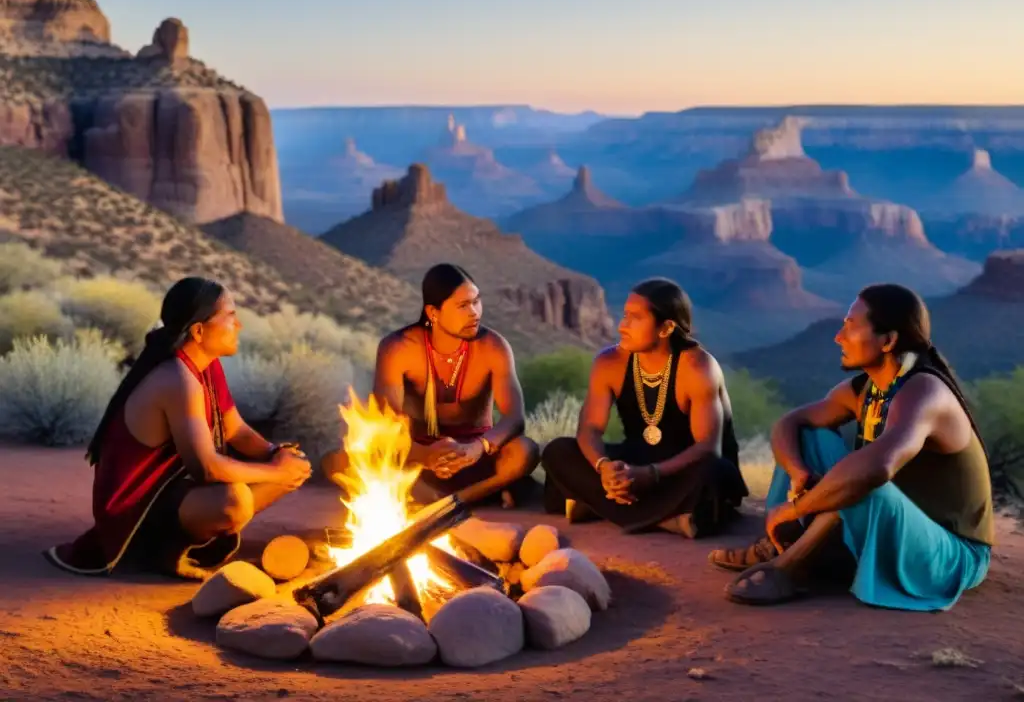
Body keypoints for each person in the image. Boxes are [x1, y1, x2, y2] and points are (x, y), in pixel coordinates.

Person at [710, 284, 995, 611]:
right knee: (811, 438)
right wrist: (799, 474)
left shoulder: (925, 392)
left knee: (863, 478)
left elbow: (876, 469)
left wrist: (795, 509)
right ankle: (781, 544)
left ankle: (790, 566)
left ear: (888, 341)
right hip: (896, 529)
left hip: (950, 556)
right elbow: (789, 423)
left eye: (851, 326)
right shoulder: (867, 390)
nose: (838, 337)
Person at [45, 277, 312, 580]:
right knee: (234, 502)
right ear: (199, 331)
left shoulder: (205, 364)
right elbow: (207, 469)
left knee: (295, 466)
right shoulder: (177, 378)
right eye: (231, 317)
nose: (239, 327)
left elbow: (235, 429)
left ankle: (190, 539)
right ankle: (166, 551)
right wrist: (276, 471)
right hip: (137, 513)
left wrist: (276, 453)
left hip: (173, 495)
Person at [540, 278, 748, 537]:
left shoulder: (697, 367)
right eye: (624, 315)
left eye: (635, 318)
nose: (621, 326)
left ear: (666, 328)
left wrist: (651, 475)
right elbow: (590, 428)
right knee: (558, 450)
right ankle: (669, 520)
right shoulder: (609, 363)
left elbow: (707, 447)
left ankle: (599, 507)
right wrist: (604, 468)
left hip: (683, 467)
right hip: (637, 460)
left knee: (713, 472)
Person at [323, 263, 539, 507]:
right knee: (340, 461)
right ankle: (475, 496)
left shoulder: (494, 347)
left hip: (475, 457)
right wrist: (426, 455)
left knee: (525, 450)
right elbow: (385, 424)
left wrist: (477, 448)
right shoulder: (398, 348)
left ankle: (450, 502)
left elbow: (514, 418)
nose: (475, 313)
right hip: (419, 458)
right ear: (433, 313)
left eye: (477, 301)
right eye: (463, 306)